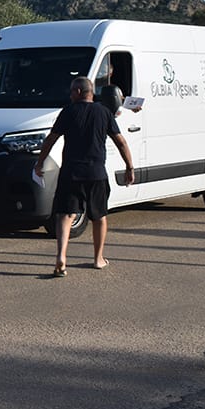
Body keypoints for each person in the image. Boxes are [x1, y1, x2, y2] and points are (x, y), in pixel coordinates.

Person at [33, 76, 134, 277]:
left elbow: (50, 139)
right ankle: (98, 259)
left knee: (65, 215)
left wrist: (40, 162)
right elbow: (121, 142)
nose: (70, 95)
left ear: (79, 92)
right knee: (99, 217)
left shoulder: (68, 112)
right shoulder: (104, 112)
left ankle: (61, 257)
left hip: (71, 173)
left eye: (72, 91)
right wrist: (129, 166)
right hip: (96, 173)